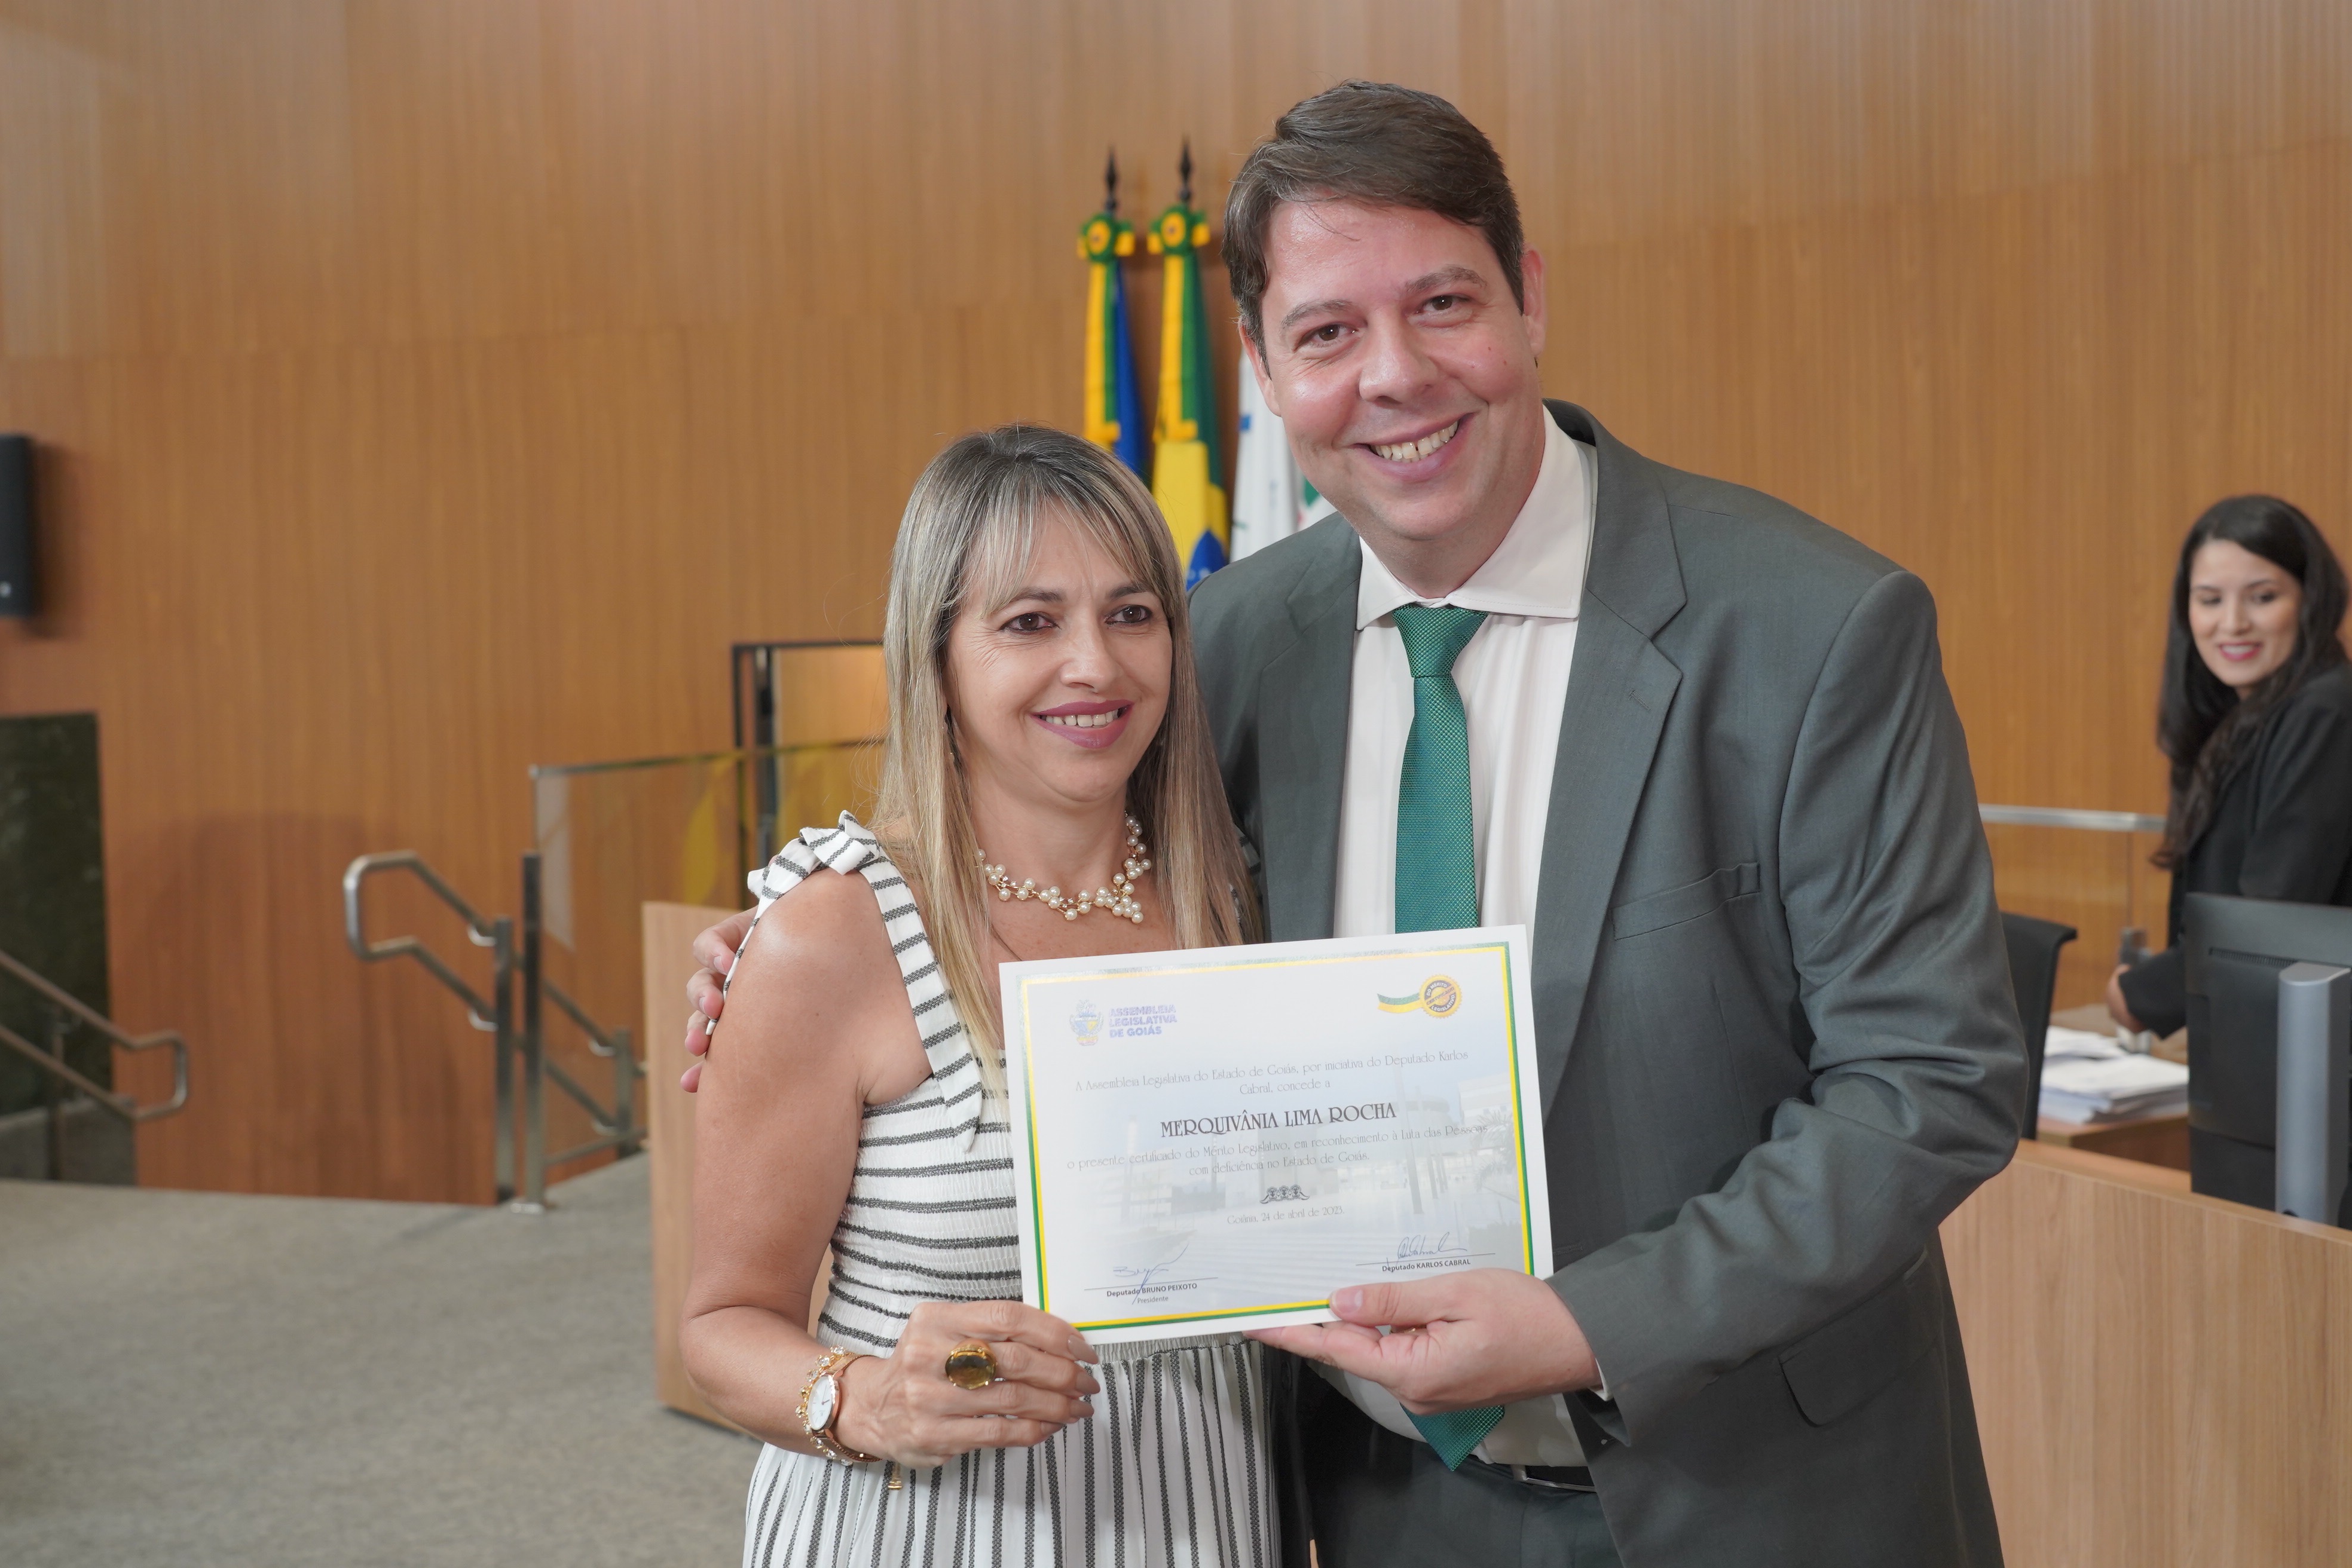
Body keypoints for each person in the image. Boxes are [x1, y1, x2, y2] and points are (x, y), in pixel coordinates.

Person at [689, 82, 2024, 1568]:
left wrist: (1588, 1321)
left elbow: (1932, 1080)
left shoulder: (1811, 625)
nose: (1393, 375)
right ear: (1261, 366)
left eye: (1442, 303)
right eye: (1326, 332)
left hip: (1755, 1500)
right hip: (1381, 1505)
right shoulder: (1229, 646)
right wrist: (798, 946)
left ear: (1528, 296)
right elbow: (1045, 861)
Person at [681, 425, 1274, 1567]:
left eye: (1132, 612)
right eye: (1030, 621)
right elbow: (721, 1326)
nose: (1095, 664)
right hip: (927, 1527)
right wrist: (866, 1396)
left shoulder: (1238, 897)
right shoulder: (833, 931)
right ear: (937, 656)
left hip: (1207, 1510)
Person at [2108, 496, 2352, 1040]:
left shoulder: (2325, 709)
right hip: (2259, 1041)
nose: (2233, 623)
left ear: (2310, 599)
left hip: (2314, 1055)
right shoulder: (2243, 717)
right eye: (2210, 600)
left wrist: (2143, 994)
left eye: (2263, 597)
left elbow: (2272, 913)